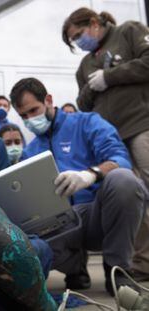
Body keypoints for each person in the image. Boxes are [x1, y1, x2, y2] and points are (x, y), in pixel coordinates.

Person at [10, 77, 146, 296]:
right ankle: (75, 267)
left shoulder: (87, 123)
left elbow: (120, 160)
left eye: (33, 110)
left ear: (48, 100)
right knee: (29, 242)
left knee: (124, 181)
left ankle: (117, 268)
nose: (30, 119)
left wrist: (90, 175)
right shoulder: (30, 151)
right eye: (23, 116)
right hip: (61, 223)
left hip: (97, 214)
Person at [62, 7, 149, 280]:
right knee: (133, 196)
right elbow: (83, 103)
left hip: (141, 125)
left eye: (79, 34)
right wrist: (93, 85)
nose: (79, 42)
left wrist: (110, 76)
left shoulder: (130, 31)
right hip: (111, 140)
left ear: (94, 22)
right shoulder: (85, 65)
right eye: (74, 41)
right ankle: (141, 262)